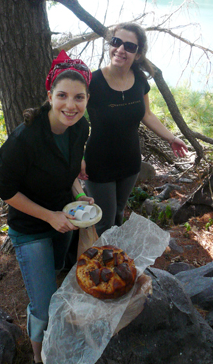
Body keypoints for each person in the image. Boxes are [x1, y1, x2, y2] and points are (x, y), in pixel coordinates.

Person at [0, 50, 93, 364]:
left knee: (51, 277)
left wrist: (79, 195)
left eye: (79, 97)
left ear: (87, 98)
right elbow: (5, 190)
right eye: (62, 95)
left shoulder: (80, 128)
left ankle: (51, 332)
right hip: (31, 226)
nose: (71, 105)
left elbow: (70, 171)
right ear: (49, 95)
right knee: (44, 302)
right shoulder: (25, 139)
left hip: (62, 218)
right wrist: (50, 216)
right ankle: (39, 358)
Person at [80, 22, 188, 237]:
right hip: (98, 164)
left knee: (119, 213)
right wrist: (77, 155)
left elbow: (146, 114)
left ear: (137, 54)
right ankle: (95, 266)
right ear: (110, 44)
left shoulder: (139, 79)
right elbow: (71, 118)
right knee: (103, 221)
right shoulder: (92, 81)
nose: (120, 50)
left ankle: (114, 263)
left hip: (130, 162)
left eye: (129, 46)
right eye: (116, 42)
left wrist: (171, 138)